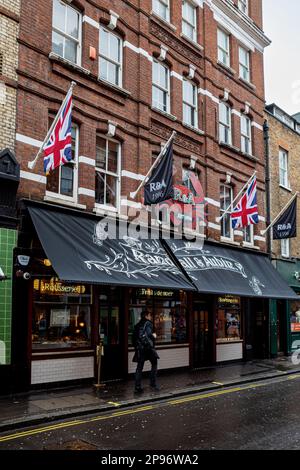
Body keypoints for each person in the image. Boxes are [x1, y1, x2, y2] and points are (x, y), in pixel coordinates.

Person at [132, 310, 160, 393]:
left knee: (139, 368)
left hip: (140, 349)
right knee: (154, 364)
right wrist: (154, 336)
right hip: (148, 348)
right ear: (146, 316)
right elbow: (149, 335)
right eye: (150, 315)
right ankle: (153, 383)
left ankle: (137, 387)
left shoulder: (137, 325)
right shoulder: (148, 323)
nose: (150, 317)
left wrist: (136, 347)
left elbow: (133, 338)